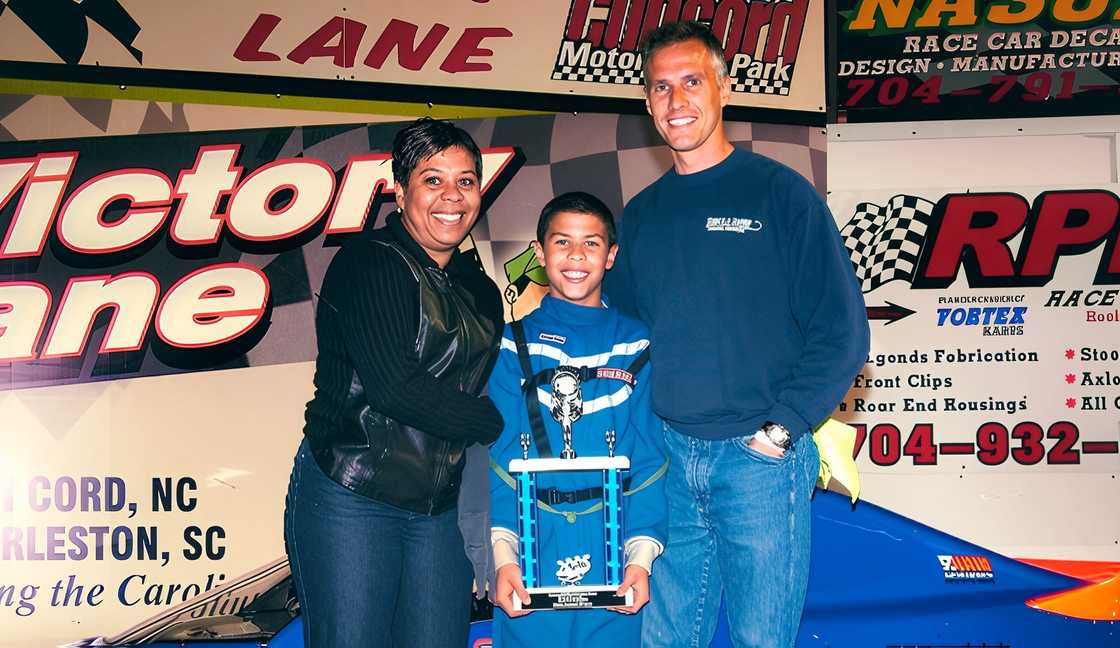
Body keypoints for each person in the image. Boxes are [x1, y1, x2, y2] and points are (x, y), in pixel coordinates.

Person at [607, 21, 871, 648]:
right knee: (664, 641)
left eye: (692, 82)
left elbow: (842, 329)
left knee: (761, 642)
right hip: (668, 461)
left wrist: (781, 432)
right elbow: (623, 346)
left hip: (761, 461)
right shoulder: (641, 216)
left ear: (724, 87)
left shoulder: (780, 194)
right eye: (661, 88)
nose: (677, 102)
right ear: (648, 105)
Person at [283, 117, 504, 647]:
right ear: (399, 191)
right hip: (352, 494)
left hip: (438, 510)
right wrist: (495, 421)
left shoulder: (479, 286)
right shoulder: (369, 263)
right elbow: (394, 389)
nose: (452, 197)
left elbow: (488, 381)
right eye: (433, 180)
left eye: (466, 181)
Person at [488, 192, 668, 647]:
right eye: (562, 242)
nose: (575, 256)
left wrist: (640, 559)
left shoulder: (637, 343)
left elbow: (649, 458)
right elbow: (500, 456)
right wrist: (504, 557)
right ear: (539, 252)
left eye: (591, 244)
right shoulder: (511, 345)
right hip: (532, 547)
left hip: (613, 540)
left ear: (611, 256)